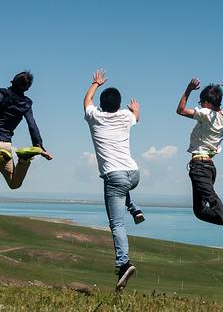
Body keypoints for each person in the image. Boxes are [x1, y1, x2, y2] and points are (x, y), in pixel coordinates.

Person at [83, 69, 144, 291]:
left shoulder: (95, 117)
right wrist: (136, 109)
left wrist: (96, 83)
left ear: (101, 105)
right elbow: (137, 116)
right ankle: (134, 208)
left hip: (115, 176)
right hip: (133, 173)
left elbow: (87, 100)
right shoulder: (126, 116)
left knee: (117, 223)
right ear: (119, 105)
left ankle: (123, 264)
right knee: (120, 188)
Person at [176, 77, 223, 246]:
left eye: (200, 102)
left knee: (210, 196)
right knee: (200, 211)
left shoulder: (206, 114)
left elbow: (181, 110)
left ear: (206, 103)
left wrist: (188, 90)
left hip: (200, 166)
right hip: (208, 167)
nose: (200, 105)